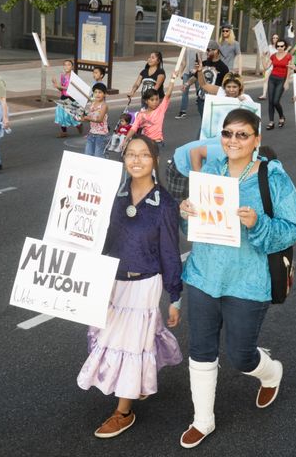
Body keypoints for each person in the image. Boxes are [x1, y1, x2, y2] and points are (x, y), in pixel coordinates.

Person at [177, 109, 296, 449]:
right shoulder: (212, 173)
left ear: (256, 140)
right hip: (204, 276)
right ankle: (203, 420)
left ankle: (271, 372)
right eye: (228, 134)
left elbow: (293, 229)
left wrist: (257, 224)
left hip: (248, 282)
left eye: (242, 134)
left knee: (240, 355)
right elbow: (195, 231)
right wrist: (186, 215)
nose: (233, 140)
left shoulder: (272, 177)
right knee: (201, 349)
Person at [77, 134, 184, 439]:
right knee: (120, 340)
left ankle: (123, 411)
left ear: (155, 161)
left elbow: (169, 253)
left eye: (144, 155)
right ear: (123, 160)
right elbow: (101, 238)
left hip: (143, 284)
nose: (136, 160)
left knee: (128, 345)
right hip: (112, 281)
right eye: (130, 155)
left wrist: (175, 297)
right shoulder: (114, 196)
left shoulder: (164, 204)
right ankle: (135, 384)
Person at [126, 67, 183, 147]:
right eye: (152, 100)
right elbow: (134, 128)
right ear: (146, 101)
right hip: (146, 143)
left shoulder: (160, 109)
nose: (155, 102)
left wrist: (172, 78)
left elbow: (168, 94)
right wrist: (126, 139)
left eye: (157, 99)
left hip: (157, 143)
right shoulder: (141, 114)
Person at [263, 39, 295, 130]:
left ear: (285, 46)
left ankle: (281, 116)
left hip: (282, 79)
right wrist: (263, 57)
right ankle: (271, 121)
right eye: (278, 46)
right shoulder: (273, 56)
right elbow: (266, 67)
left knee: (276, 101)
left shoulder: (288, 56)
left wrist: (287, 82)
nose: (280, 48)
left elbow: (289, 69)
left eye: (282, 46)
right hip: (272, 79)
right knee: (270, 101)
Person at [194, 42, 230, 116]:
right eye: (206, 50)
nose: (207, 52)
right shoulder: (203, 64)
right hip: (202, 99)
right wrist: (187, 83)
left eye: (208, 50)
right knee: (204, 123)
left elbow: (226, 85)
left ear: (216, 51)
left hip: (214, 100)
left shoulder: (223, 68)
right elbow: (195, 76)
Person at [78, 82, 109, 157]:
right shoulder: (92, 104)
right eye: (95, 92)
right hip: (92, 133)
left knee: (98, 156)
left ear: (104, 94)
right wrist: (82, 119)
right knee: (88, 155)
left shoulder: (104, 105)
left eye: (100, 92)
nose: (97, 94)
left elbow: (99, 119)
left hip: (101, 135)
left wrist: (87, 118)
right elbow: (89, 118)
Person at [53, 60, 83, 137]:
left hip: (71, 98)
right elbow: (61, 89)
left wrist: (59, 86)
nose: (66, 66)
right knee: (61, 115)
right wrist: (56, 84)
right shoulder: (63, 76)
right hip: (63, 97)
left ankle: (79, 125)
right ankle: (64, 132)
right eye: (65, 65)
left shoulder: (74, 77)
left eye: (68, 65)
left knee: (72, 116)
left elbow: (71, 88)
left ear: (72, 66)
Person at [258, 33, 280, 100]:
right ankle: (264, 94)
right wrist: (264, 56)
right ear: (272, 39)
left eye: (276, 38)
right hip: (269, 65)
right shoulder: (269, 47)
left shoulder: (280, 47)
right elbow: (267, 55)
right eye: (274, 38)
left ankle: (275, 94)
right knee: (265, 79)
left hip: (277, 66)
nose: (275, 39)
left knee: (276, 81)